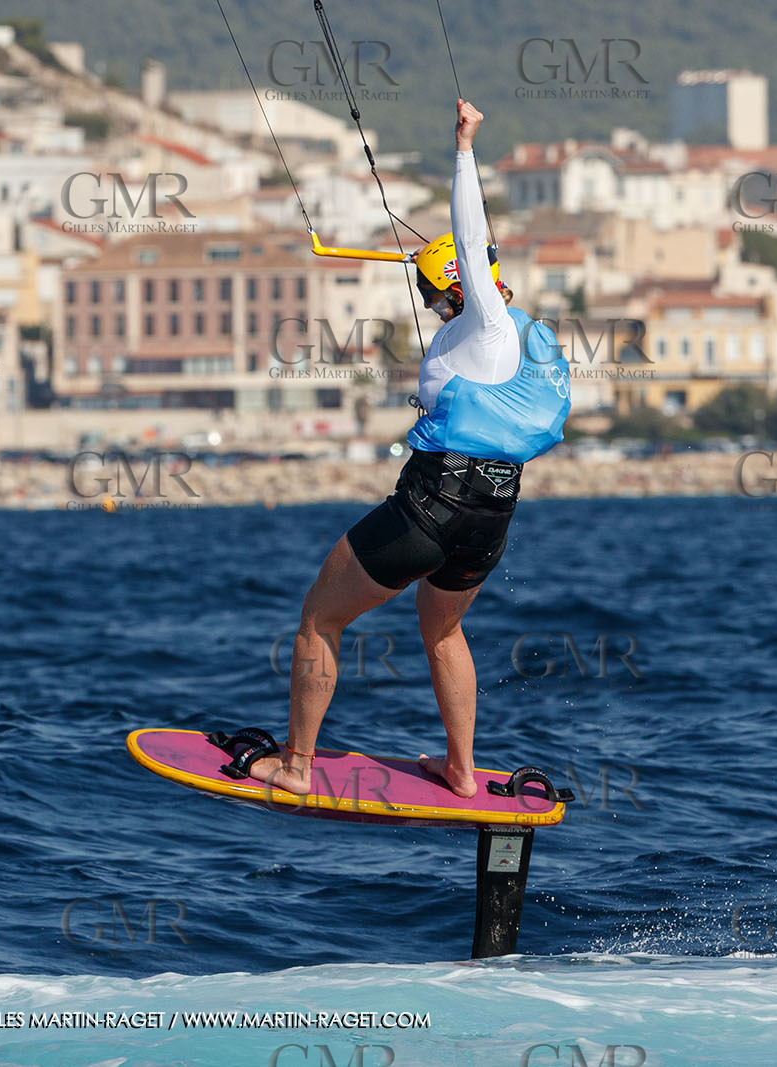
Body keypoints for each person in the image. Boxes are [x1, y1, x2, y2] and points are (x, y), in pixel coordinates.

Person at [235, 98, 571, 798]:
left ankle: (296, 766)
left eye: (432, 292)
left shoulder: (485, 324)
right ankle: (461, 769)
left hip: (434, 503)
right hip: (493, 512)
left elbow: (468, 232)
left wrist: (463, 147)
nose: (428, 306)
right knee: (443, 630)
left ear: (457, 283)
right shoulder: (483, 338)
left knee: (320, 615)